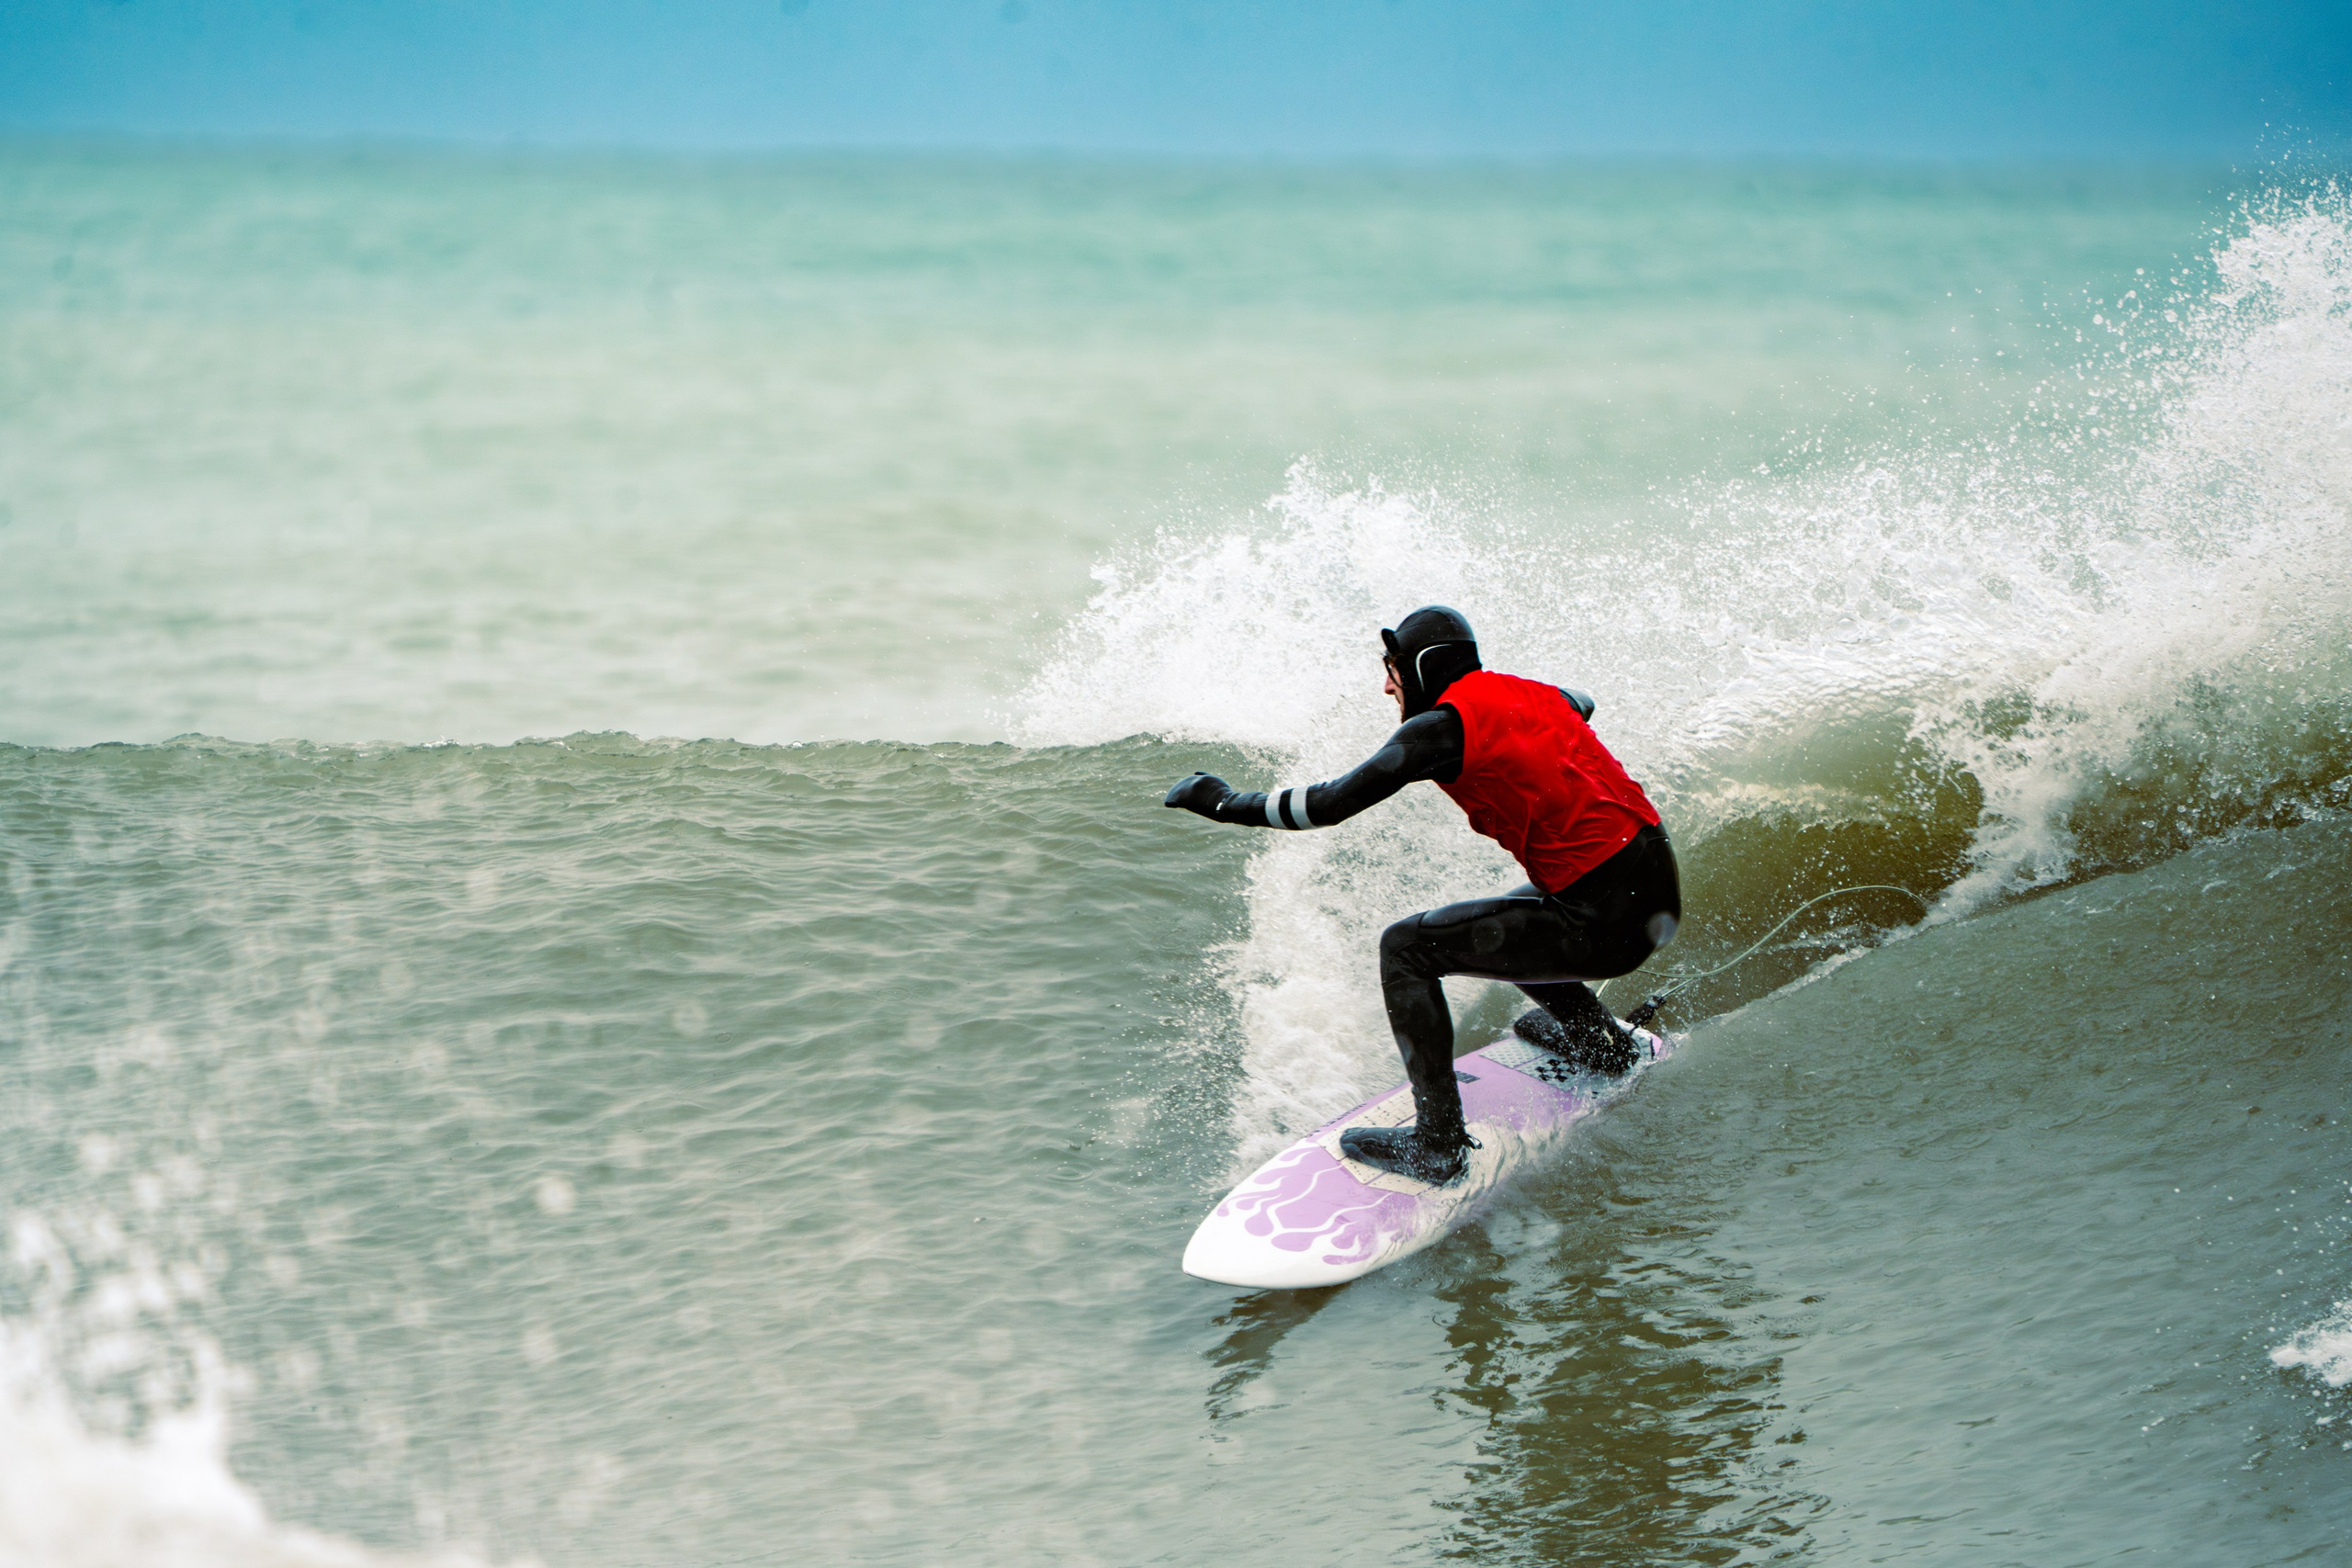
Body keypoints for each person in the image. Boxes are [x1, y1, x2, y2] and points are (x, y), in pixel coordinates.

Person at [1162, 605, 1681, 1183]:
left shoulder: (1440, 731)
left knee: (1406, 949)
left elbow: (1326, 805)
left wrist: (1222, 800)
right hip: (1651, 888)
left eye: (1394, 669)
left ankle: (1438, 1145)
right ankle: (1601, 1046)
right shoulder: (1543, 694)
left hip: (1606, 921)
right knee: (1509, 923)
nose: (1388, 685)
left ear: (1425, 665)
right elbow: (1582, 702)